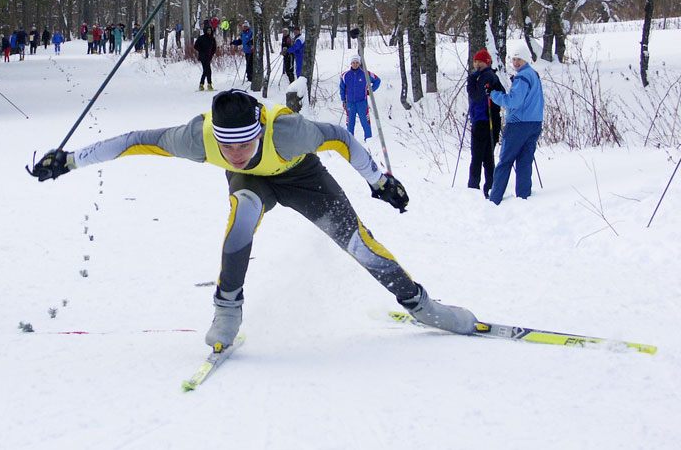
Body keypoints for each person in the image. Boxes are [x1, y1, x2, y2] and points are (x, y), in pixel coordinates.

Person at [29, 89, 478, 350]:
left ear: (260, 131)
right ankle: (227, 313)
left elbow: (341, 139)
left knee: (358, 241)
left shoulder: (287, 132)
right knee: (241, 220)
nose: (236, 152)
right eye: (229, 147)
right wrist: (69, 161)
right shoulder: (198, 139)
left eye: (244, 144)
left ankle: (421, 305)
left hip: (302, 177)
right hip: (253, 183)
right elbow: (132, 141)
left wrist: (379, 182)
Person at [487, 44, 544, 205]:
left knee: (505, 160)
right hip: (535, 122)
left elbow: (514, 101)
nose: (516, 62)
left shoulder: (522, 77)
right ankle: (523, 196)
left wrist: (494, 95)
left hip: (519, 123)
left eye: (519, 59)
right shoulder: (533, 75)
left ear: (526, 59)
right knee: (525, 160)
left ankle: (495, 198)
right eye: (514, 59)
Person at [466, 50, 505, 198]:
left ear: (487, 62)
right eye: (476, 61)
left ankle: (473, 187)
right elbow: (501, 90)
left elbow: (476, 95)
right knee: (487, 156)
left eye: (480, 62)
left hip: (484, 120)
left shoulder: (486, 76)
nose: (477, 64)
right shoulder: (489, 75)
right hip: (486, 119)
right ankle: (491, 186)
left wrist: (471, 80)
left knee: (477, 155)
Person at [339, 54, 381, 140]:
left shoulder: (366, 73)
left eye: (357, 62)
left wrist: (371, 90)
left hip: (362, 103)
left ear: (359, 63)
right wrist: (343, 100)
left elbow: (377, 80)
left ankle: (369, 140)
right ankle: (350, 141)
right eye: (353, 62)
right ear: (351, 63)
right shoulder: (345, 75)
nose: (355, 64)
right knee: (350, 124)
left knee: (365, 122)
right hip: (350, 103)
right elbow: (342, 88)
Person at [194, 24, 217, 91]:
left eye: (210, 30)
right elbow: (196, 46)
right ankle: (208, 84)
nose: (209, 31)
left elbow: (214, 47)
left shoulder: (212, 38)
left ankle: (202, 84)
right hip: (203, 56)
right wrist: (201, 50)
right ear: (205, 31)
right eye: (208, 30)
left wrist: (212, 54)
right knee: (208, 70)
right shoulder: (201, 38)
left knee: (206, 70)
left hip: (209, 56)